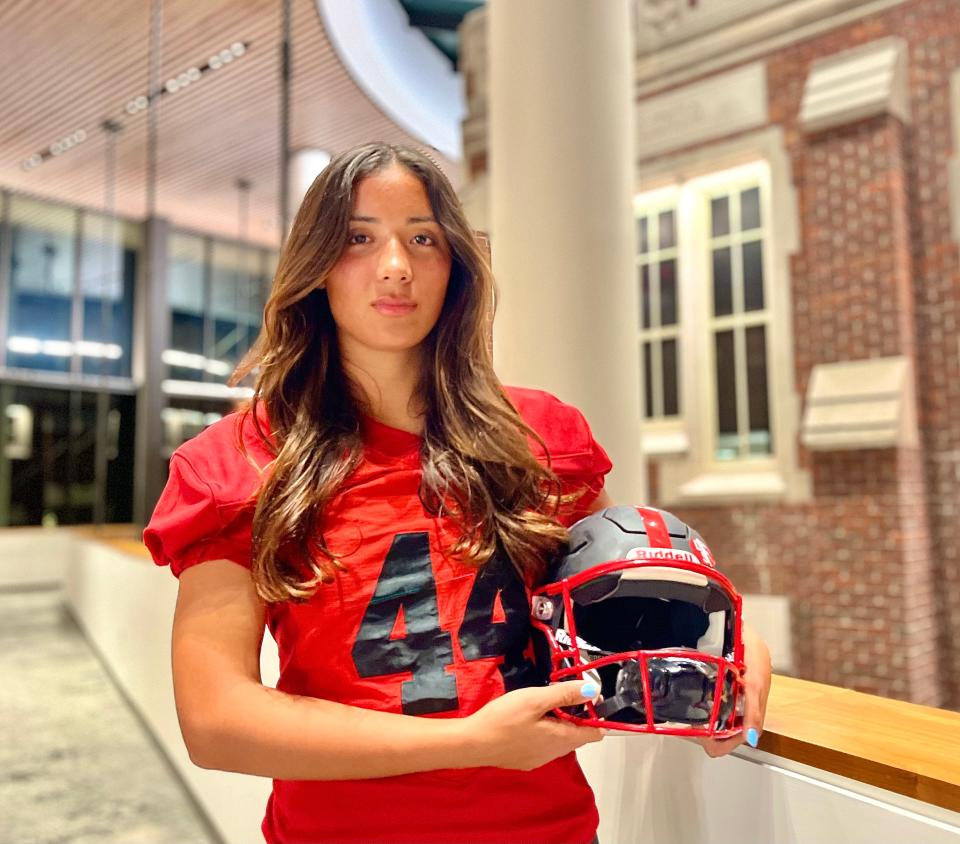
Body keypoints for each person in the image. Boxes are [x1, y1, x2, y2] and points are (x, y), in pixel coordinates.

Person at [143, 142, 771, 844]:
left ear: (455, 266)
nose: (395, 267)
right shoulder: (239, 464)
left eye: (423, 239)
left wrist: (729, 665)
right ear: (315, 264)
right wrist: (471, 742)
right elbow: (217, 722)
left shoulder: (539, 439)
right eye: (359, 237)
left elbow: (631, 607)